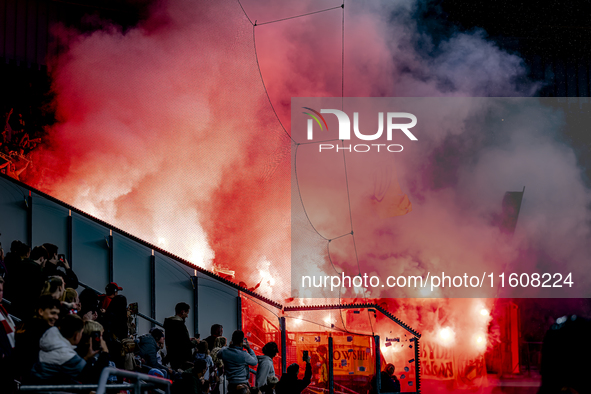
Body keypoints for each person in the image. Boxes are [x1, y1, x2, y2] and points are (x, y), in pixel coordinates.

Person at [30, 314, 109, 384]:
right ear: (76, 335)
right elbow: (94, 377)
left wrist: (86, 358)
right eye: (81, 333)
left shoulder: (50, 338)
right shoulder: (66, 355)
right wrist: (105, 352)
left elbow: (64, 377)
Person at [14, 295, 61, 380]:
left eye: (58, 314)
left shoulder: (24, 323)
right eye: (53, 313)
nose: (56, 317)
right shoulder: (43, 332)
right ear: (41, 311)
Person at [7, 245, 47, 318]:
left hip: (15, 306)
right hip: (30, 309)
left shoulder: (17, 265)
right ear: (42, 258)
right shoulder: (38, 271)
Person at [164, 302, 197, 370]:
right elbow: (185, 345)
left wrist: (188, 339)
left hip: (173, 357)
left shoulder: (169, 324)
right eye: (187, 313)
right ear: (182, 312)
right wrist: (195, 342)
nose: (187, 316)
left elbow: (177, 340)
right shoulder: (180, 325)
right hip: (182, 360)